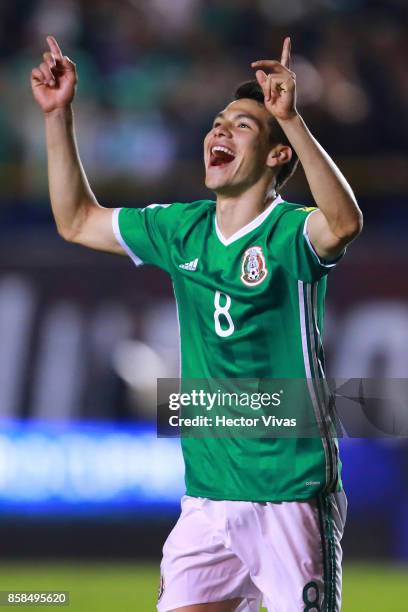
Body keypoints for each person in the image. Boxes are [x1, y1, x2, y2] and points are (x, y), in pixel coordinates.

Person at [31, 35, 362, 612]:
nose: (219, 132)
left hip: (289, 493)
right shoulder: (178, 227)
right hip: (207, 498)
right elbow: (77, 221)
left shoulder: (290, 233)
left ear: (277, 155)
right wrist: (59, 116)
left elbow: (344, 222)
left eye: (242, 127)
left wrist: (291, 119)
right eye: (218, 123)